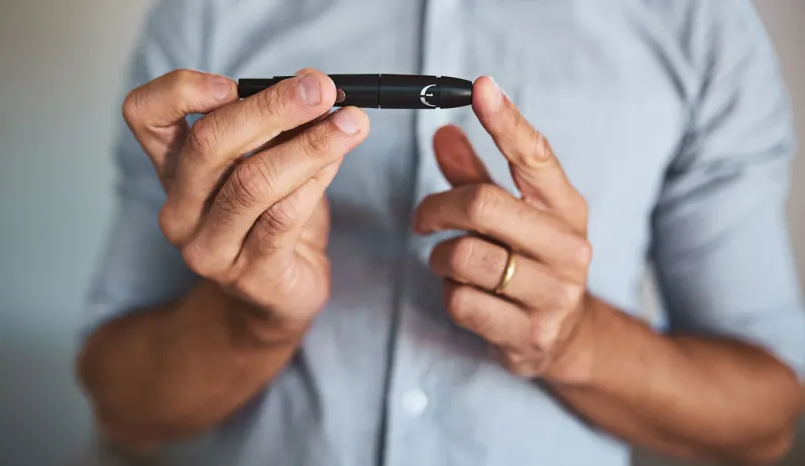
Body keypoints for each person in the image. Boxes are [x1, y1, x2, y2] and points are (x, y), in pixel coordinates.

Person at [76, 1, 805, 465]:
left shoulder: (700, 23)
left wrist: (577, 338)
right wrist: (248, 322)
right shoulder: (210, 13)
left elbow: (765, 420)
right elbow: (121, 403)